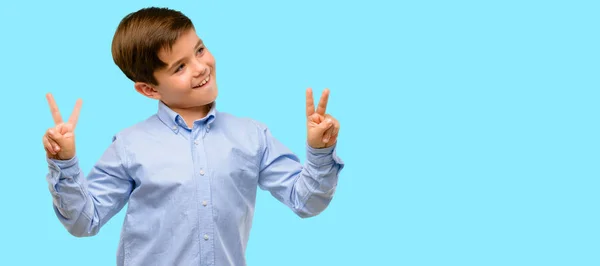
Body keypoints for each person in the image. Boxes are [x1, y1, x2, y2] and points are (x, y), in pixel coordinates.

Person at [42, 6, 343, 266]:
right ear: (149, 89)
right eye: (180, 67)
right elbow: (85, 221)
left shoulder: (252, 135)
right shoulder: (129, 146)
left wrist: (319, 153)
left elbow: (305, 202)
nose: (201, 68)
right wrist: (65, 164)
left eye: (199, 50)